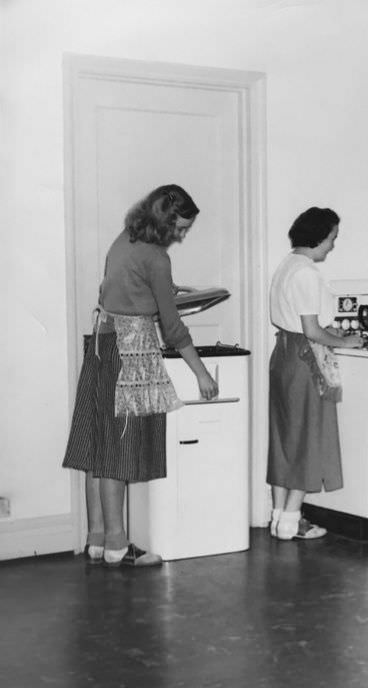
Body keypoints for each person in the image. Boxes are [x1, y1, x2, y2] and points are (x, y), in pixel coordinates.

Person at [63, 184, 219, 567]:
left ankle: (96, 539)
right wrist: (201, 374)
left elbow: (116, 288)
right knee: (118, 449)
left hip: (101, 344)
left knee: (97, 445)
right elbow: (174, 328)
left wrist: (159, 291)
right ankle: (118, 545)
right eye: (180, 228)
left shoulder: (124, 239)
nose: (182, 236)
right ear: (165, 223)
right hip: (129, 352)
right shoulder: (156, 258)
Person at [267, 206, 362, 540]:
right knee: (307, 436)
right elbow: (312, 330)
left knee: (284, 438)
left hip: (283, 356)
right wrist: (346, 340)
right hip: (304, 359)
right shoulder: (306, 272)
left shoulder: (287, 265)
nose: (333, 245)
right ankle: (292, 519)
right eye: (333, 237)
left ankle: (279, 517)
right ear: (319, 236)